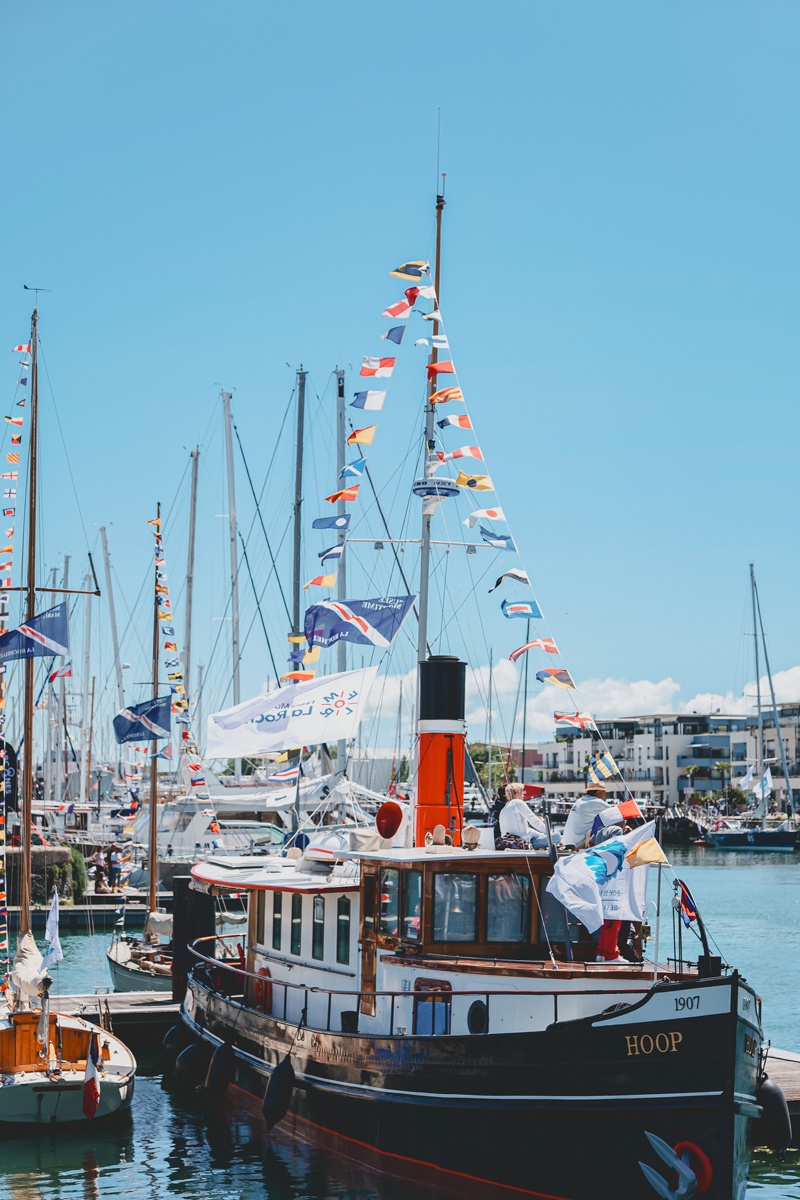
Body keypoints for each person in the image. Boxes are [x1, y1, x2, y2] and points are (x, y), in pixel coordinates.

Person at [561, 784, 620, 849]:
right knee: (615, 829)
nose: (605, 796)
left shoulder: (580, 800)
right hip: (578, 844)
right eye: (604, 793)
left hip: (567, 842)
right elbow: (616, 815)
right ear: (598, 793)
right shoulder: (597, 802)